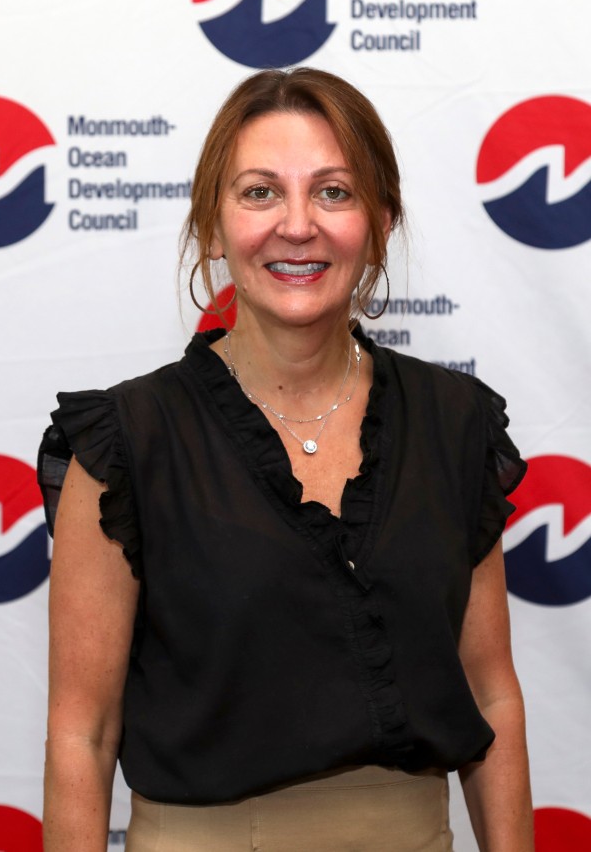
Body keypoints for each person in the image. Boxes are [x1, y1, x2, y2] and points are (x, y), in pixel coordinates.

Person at [38, 67, 534, 852]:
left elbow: (491, 692)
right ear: (212, 226)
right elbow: (83, 735)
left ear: (379, 223)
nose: (297, 225)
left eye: (334, 192)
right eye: (260, 192)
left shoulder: (456, 422)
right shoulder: (127, 441)